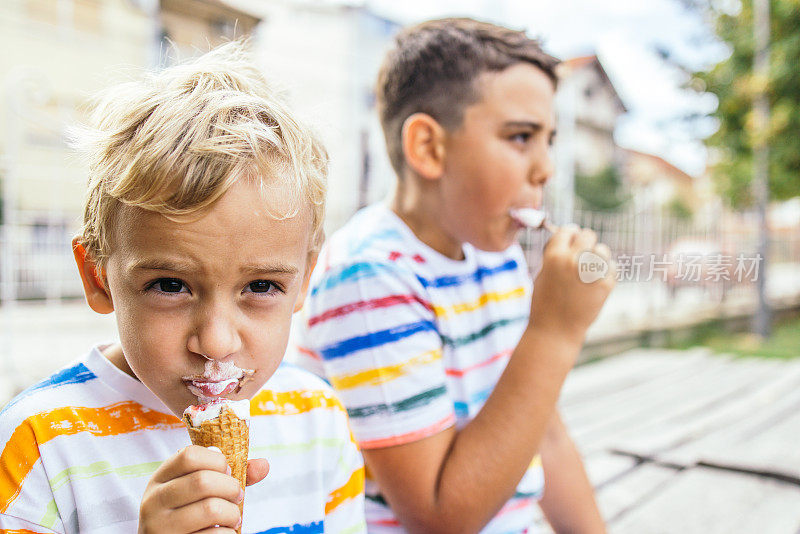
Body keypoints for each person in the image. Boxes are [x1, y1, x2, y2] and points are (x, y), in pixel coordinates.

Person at [0, 42, 365, 534]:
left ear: (303, 278)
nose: (215, 343)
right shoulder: (41, 444)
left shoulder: (317, 420)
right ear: (97, 277)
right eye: (170, 285)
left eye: (261, 286)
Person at [297, 18, 615, 533]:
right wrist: (556, 330)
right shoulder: (368, 276)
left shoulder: (495, 257)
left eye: (548, 140)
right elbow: (439, 517)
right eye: (520, 137)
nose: (546, 169)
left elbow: (543, 432)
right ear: (428, 147)